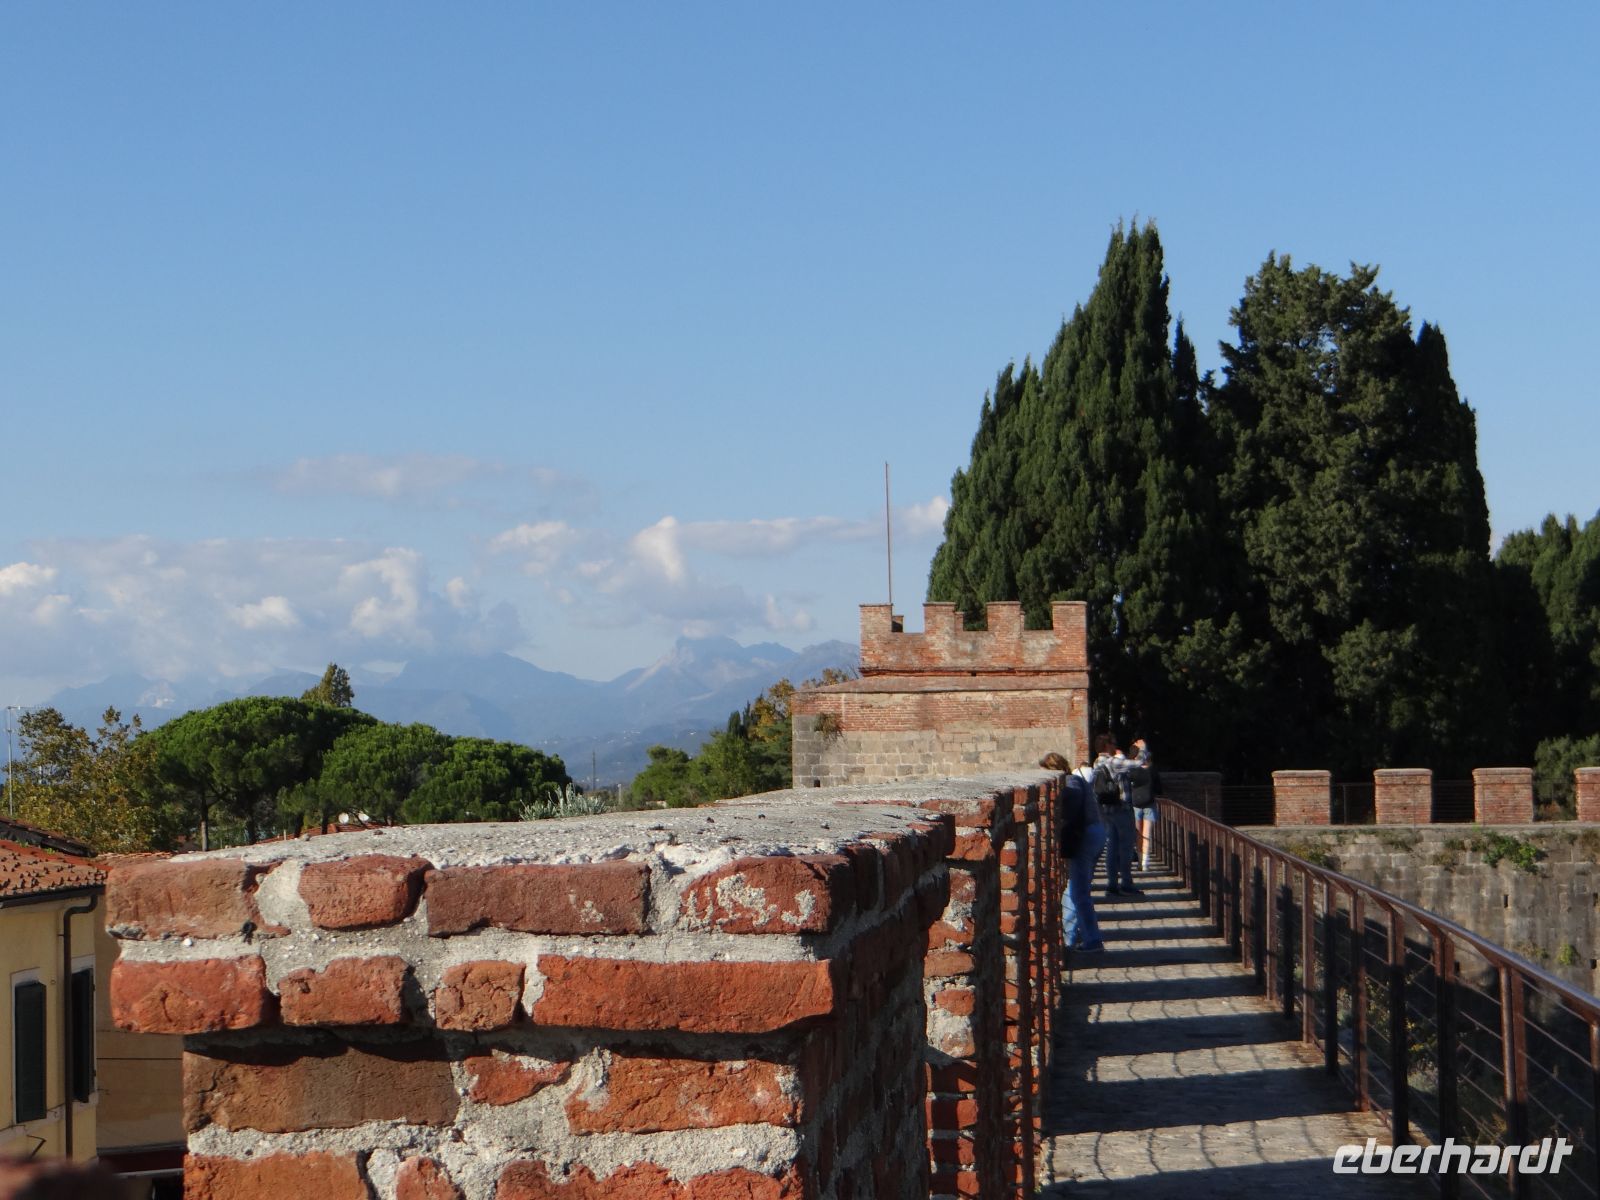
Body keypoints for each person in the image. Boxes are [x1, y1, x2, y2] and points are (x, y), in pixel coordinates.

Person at [1042, 751, 1105, 953]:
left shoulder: (1070, 783)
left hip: (1084, 837)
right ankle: (1074, 936)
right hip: (1092, 834)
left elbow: (1071, 813)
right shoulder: (1076, 780)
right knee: (1076, 890)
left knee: (1078, 892)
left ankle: (1088, 940)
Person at [1091, 732, 1138, 896]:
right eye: (1113, 743)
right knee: (1126, 846)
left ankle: (1112, 883)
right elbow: (1138, 764)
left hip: (1105, 810)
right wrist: (1135, 752)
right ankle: (1126, 882)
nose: (1116, 746)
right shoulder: (1113, 761)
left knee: (1111, 846)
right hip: (1121, 808)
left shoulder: (1097, 762)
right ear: (1107, 746)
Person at [1127, 736, 1156, 872]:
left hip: (1136, 803)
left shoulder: (1133, 769)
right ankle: (1145, 862)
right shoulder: (1151, 769)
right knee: (1147, 834)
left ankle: (1140, 862)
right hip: (1149, 802)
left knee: (1139, 834)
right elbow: (1159, 786)